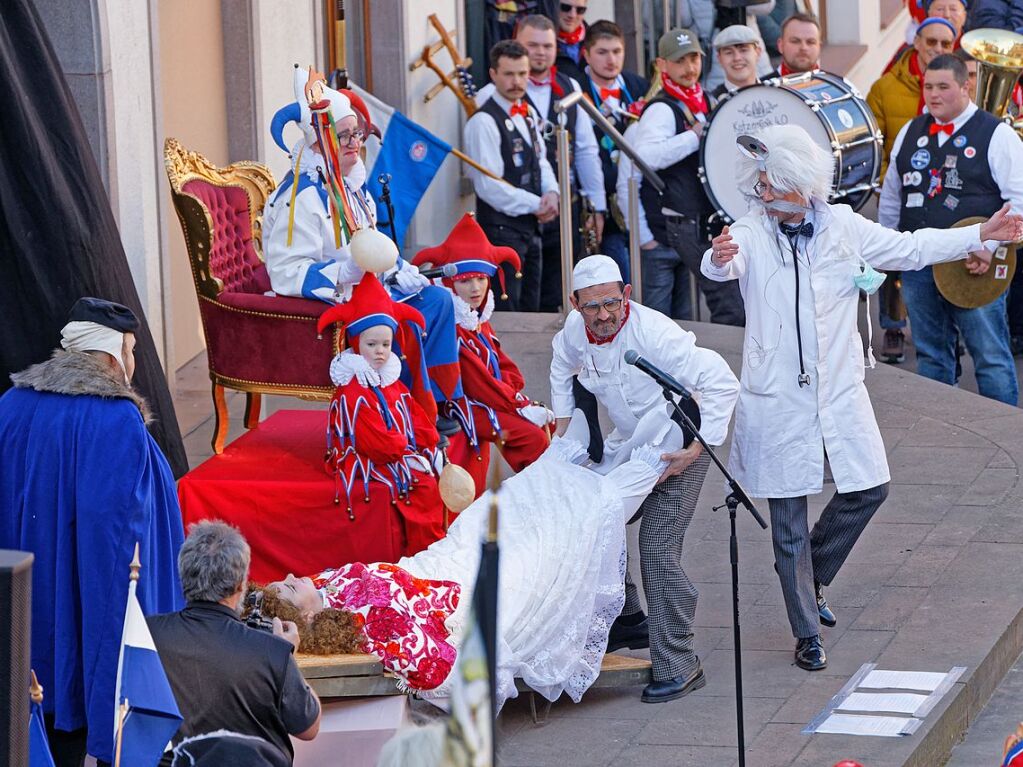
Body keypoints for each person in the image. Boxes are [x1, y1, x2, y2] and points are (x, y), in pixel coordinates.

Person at [702, 124, 1023, 671]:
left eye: (769, 184)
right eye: (758, 185)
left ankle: (814, 574)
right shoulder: (750, 232)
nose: (760, 194)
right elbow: (725, 265)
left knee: (870, 487)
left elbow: (913, 249)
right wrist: (720, 255)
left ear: (799, 185)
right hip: (777, 395)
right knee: (787, 525)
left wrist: (981, 235)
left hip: (838, 388)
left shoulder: (844, 227)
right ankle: (806, 632)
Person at [254, 405, 692, 709]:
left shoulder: (326, 589)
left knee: (496, 508)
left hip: (441, 561)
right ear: (305, 617)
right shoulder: (373, 626)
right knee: (557, 533)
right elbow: (441, 669)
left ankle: (567, 458)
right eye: (291, 585)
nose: (294, 574)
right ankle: (652, 460)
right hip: (468, 594)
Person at [0, 297, 184, 767]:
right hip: (92, 613)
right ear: (111, 353)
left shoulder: (13, 404)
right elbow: (120, 537)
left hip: (23, 601)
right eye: (132, 350)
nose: (135, 363)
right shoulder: (115, 419)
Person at [550, 255, 740, 703]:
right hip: (630, 446)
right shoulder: (575, 332)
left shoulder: (656, 334)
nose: (603, 315)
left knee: (656, 547)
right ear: (575, 304)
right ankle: (629, 618)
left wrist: (696, 449)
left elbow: (721, 382)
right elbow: (562, 364)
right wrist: (561, 430)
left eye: (612, 304)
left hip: (680, 443)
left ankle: (681, 662)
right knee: (596, 517)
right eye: (592, 306)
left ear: (627, 295)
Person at [262, 66, 463, 419]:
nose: (356, 144)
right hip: (340, 302)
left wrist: (401, 269)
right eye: (344, 137)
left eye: (358, 134)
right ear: (319, 142)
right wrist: (347, 271)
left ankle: (445, 400)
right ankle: (407, 411)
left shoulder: (352, 189)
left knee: (439, 300)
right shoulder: (302, 198)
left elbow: (371, 243)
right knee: (407, 320)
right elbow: (286, 271)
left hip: (371, 288)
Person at [879, 54, 1023, 405]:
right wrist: (885, 249)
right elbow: (891, 199)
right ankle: (943, 429)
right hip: (919, 267)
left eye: (943, 86)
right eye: (928, 86)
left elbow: (1020, 199)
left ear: (965, 86)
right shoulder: (910, 132)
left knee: (990, 357)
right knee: (931, 356)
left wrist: (988, 250)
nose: (933, 94)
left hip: (975, 267)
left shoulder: (997, 134)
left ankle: (1005, 435)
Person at [148, 521, 321, 766]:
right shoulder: (273, 650)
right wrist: (289, 657)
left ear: (183, 575)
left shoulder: (148, 633)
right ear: (241, 585)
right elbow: (308, 727)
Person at [413, 214, 554, 498]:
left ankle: (537, 496)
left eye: (480, 279)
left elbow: (503, 365)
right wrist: (518, 404)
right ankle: (535, 500)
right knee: (531, 436)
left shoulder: (476, 317)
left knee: (545, 424)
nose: (475, 289)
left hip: (486, 399)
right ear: (451, 283)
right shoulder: (453, 324)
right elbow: (479, 383)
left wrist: (515, 392)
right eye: (465, 281)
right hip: (462, 407)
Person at [317, 272, 447, 554]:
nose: (380, 352)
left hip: (398, 450)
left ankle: (433, 544)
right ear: (355, 344)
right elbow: (374, 442)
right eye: (371, 345)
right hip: (370, 459)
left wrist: (429, 443)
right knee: (420, 487)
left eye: (386, 345)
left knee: (432, 476)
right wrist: (408, 451)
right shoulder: (353, 392)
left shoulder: (391, 381)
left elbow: (413, 415)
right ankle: (425, 551)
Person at [634, 28, 745, 325]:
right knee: (729, 304)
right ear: (662, 65)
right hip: (686, 221)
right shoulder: (660, 108)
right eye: (680, 60)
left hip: (708, 217)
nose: (689, 67)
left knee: (726, 300)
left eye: (694, 58)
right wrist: (694, 137)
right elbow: (645, 156)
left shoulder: (705, 98)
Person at [867, 17, 959, 364]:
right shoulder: (885, 87)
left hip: (944, 191)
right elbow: (874, 143)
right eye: (930, 42)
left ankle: (947, 326)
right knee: (893, 260)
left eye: (945, 44)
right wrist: (887, 179)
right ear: (915, 42)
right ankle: (892, 325)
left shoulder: (958, 82)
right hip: (899, 188)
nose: (937, 49)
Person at [465, 40, 560, 312]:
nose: (517, 81)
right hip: (501, 233)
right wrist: (537, 204)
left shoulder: (528, 112)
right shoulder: (483, 122)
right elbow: (489, 187)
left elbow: (540, 160)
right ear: (493, 74)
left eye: (522, 73)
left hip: (532, 229)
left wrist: (552, 192)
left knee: (533, 309)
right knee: (509, 312)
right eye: (508, 74)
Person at [579, 19, 649, 281]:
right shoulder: (577, 90)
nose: (611, 59)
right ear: (586, 54)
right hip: (601, 204)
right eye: (602, 52)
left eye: (617, 51)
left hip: (636, 197)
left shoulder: (639, 86)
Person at [711, 24, 764, 100]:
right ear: (719, 59)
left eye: (743, 50)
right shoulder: (712, 103)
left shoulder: (775, 95)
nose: (737, 58)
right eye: (729, 52)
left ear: (758, 53)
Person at [767, 12, 821, 78]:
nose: (803, 48)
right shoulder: (762, 87)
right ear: (781, 46)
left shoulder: (834, 85)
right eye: (795, 41)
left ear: (819, 47)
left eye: (810, 42)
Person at [554, 0, 588, 85]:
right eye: (565, 7)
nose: (572, 15)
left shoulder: (594, 38)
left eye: (580, 10)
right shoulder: (540, 41)